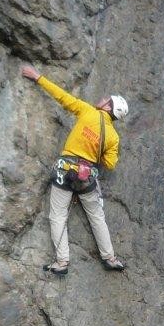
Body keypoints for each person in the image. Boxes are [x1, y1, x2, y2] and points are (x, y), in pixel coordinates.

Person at [21, 64, 128, 275]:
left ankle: (62, 262)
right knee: (97, 217)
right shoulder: (113, 137)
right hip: (86, 177)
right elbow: (110, 164)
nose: (103, 98)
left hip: (64, 171)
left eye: (106, 99)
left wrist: (37, 77)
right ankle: (110, 258)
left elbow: (63, 97)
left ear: (108, 107)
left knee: (58, 215)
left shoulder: (87, 111)